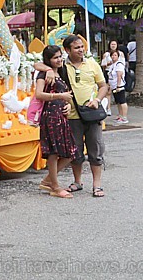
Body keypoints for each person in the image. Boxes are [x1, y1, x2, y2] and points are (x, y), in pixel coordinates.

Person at [36, 35, 109, 198]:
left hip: (92, 114)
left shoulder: (91, 64)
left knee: (95, 150)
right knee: (73, 153)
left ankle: (97, 185)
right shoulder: (63, 66)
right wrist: (47, 69)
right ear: (67, 50)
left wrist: (97, 100)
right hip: (71, 117)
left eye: (82, 46)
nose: (81, 50)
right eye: (76, 48)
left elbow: (103, 86)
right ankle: (77, 182)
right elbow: (40, 64)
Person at [35, 46, 77, 198]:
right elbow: (38, 94)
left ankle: (48, 181)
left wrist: (67, 105)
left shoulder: (62, 71)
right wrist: (60, 97)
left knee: (70, 151)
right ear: (48, 60)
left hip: (62, 115)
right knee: (53, 152)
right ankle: (55, 186)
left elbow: (67, 96)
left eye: (60, 56)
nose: (59, 60)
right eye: (55, 58)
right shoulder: (44, 73)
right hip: (50, 116)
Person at [108, 50, 128, 124]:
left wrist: (118, 86)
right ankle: (120, 115)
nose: (113, 57)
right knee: (118, 102)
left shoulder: (119, 64)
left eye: (115, 55)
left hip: (119, 86)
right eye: (112, 55)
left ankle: (124, 117)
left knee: (122, 101)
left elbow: (119, 76)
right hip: (113, 86)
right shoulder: (113, 65)